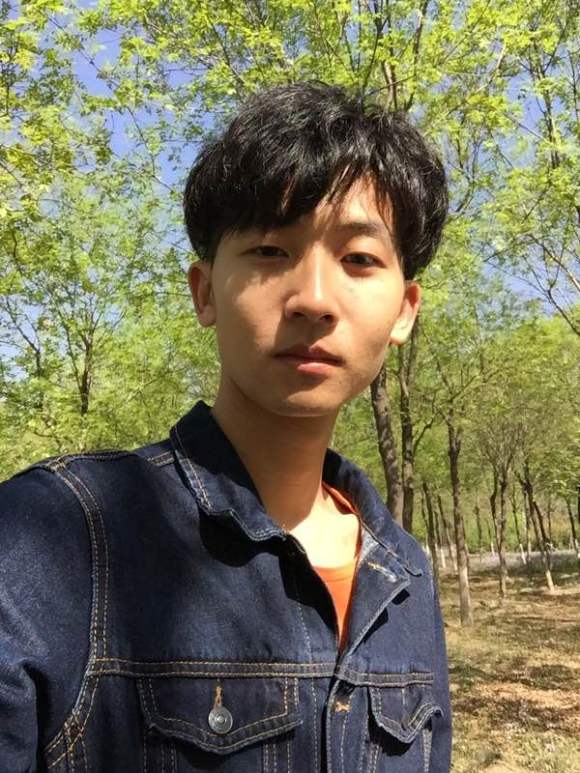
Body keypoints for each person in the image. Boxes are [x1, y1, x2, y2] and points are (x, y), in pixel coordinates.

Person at [0, 82, 451, 772]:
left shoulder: (405, 573)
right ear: (205, 291)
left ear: (404, 311)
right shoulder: (52, 537)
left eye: (359, 258)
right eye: (270, 250)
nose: (314, 299)